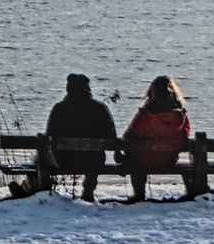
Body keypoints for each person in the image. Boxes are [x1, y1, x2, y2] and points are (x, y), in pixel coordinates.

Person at [45, 73, 118, 201]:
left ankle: (41, 190)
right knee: (96, 156)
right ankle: (88, 189)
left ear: (68, 88)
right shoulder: (100, 108)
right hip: (93, 161)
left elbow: (48, 137)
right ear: (88, 88)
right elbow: (111, 137)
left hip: (64, 160)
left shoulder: (59, 109)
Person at [122, 75, 192, 203]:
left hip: (143, 160)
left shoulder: (146, 114)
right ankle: (193, 190)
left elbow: (129, 135)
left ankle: (139, 194)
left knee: (134, 161)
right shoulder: (180, 115)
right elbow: (184, 137)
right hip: (168, 160)